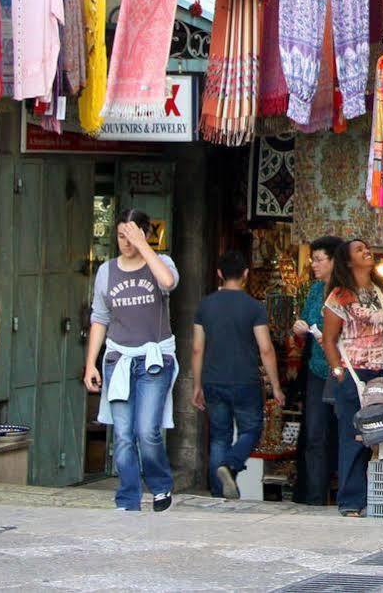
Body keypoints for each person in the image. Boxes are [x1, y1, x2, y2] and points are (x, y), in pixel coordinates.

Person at [83, 209, 180, 513]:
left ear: (145, 233)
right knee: (123, 434)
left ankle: (161, 484)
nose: (126, 241)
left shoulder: (160, 263)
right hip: (119, 358)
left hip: (154, 359)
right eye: (122, 235)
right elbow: (99, 318)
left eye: (132, 234)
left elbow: (168, 283)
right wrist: (90, 364)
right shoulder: (106, 271)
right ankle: (127, 498)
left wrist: (144, 246)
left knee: (147, 430)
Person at [190, 249, 284, 500]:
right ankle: (230, 466)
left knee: (219, 436)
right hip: (245, 380)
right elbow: (266, 348)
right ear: (245, 274)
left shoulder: (205, 306)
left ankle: (219, 495)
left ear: (219, 274)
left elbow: (198, 348)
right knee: (251, 430)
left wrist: (196, 385)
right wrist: (275, 386)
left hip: (213, 379)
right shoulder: (254, 307)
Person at [323, 237, 383, 517]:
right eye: (359, 250)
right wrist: (338, 371)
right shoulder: (339, 296)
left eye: (367, 248)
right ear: (348, 261)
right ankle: (351, 501)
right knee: (353, 436)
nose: (367, 252)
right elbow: (329, 339)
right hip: (354, 374)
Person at [291, 236, 343, 506]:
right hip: (315, 368)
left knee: (342, 431)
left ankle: (343, 494)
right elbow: (303, 330)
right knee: (314, 433)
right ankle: (314, 497)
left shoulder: (347, 292)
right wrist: (300, 329)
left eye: (319, 259)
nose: (313, 264)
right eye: (313, 259)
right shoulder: (313, 291)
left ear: (334, 261)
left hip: (341, 370)